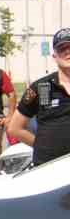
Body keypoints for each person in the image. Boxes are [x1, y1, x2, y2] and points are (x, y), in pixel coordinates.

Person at [9, 28, 70, 165]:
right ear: (54, 56)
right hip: (48, 165)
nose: (68, 52)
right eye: (62, 49)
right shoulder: (41, 87)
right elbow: (15, 128)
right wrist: (41, 146)